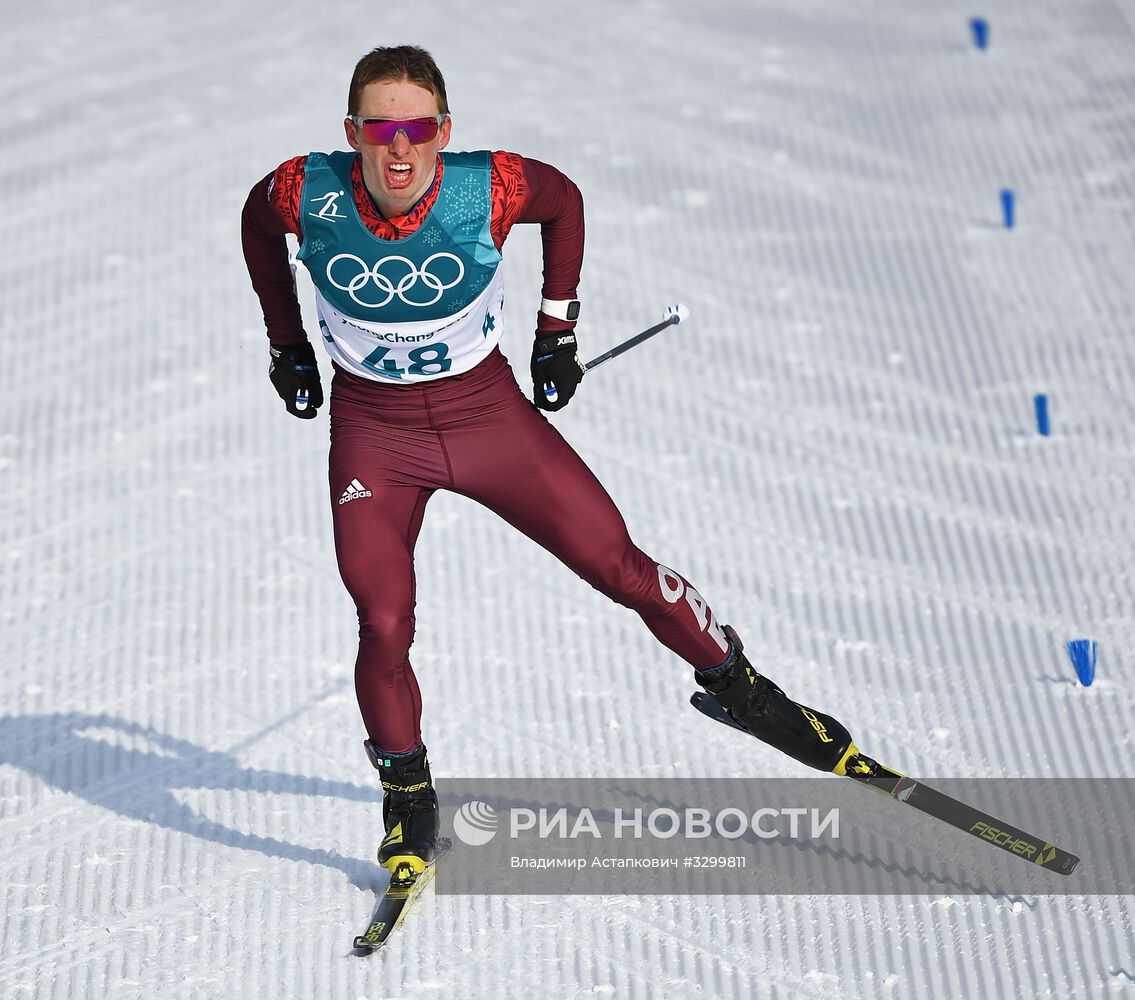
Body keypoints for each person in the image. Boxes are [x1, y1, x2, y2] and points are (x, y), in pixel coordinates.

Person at [240, 45, 852, 881]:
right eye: (379, 128)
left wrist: (555, 330)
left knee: (620, 566)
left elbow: (563, 203)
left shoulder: (485, 184)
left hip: (487, 417)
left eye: (416, 127)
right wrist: (287, 347)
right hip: (376, 435)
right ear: (352, 133)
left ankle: (743, 689)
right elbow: (254, 224)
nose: (398, 148)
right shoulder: (300, 191)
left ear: (442, 130)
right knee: (382, 620)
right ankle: (409, 798)